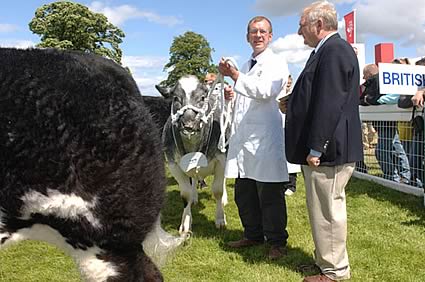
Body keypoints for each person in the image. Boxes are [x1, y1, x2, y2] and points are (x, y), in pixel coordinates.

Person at [284, 1, 363, 281]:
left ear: (318, 25)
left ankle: (335, 272)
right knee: (320, 209)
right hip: (326, 148)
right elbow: (317, 95)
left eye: (302, 26)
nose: (298, 32)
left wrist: (317, 146)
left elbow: (329, 103)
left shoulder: (334, 50)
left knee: (328, 211)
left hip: (329, 150)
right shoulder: (327, 51)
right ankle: (324, 263)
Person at [218, 15, 290, 260]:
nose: (258, 35)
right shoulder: (249, 64)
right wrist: (232, 96)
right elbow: (246, 97)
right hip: (244, 139)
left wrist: (236, 77)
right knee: (244, 192)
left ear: (270, 36)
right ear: (247, 36)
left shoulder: (276, 63)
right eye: (253, 31)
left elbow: (266, 91)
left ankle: (277, 242)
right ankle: (253, 234)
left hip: (264, 139)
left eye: (262, 32)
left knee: (269, 194)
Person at [279, 74, 300, 196]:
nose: (287, 85)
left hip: (289, 128)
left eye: (289, 83)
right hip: (278, 128)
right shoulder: (276, 94)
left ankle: (291, 184)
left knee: (290, 158)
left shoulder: (294, 94)